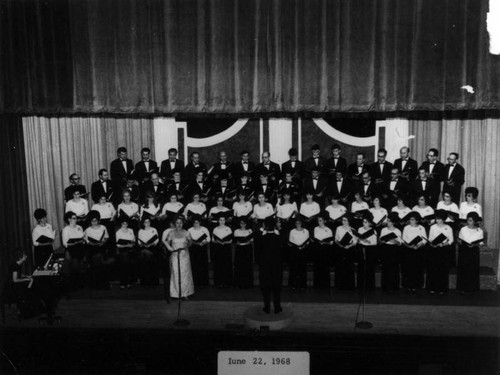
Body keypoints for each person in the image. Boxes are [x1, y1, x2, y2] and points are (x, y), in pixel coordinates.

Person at [164, 216, 194, 298]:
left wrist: (186, 247)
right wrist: (170, 249)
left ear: (183, 223)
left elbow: (191, 242)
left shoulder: (186, 232)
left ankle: (185, 293)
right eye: (177, 223)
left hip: (184, 256)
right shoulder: (171, 233)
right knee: (176, 273)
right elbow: (166, 242)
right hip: (175, 256)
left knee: (185, 273)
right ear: (175, 224)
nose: (179, 224)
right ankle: (176, 293)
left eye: (180, 223)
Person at [259, 218, 283, 314]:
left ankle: (267, 307)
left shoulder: (262, 238)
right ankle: (277, 307)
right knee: (276, 288)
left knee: (266, 288)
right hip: (276, 267)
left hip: (265, 267)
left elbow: (259, 252)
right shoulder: (278, 237)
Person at [457, 212, 484, 295]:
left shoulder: (479, 230)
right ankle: (463, 288)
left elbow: (481, 243)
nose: (469, 222)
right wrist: (459, 242)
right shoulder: (463, 229)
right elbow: (459, 240)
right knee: (463, 269)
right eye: (468, 220)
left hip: (473, 251)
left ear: (475, 221)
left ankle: (472, 288)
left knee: (472, 269)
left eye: (471, 220)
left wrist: (474, 244)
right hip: (464, 250)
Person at [427, 210, 454, 294]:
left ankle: (442, 288)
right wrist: (432, 243)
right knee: (433, 269)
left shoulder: (448, 228)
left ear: (443, 219)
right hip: (434, 249)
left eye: (439, 219)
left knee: (442, 269)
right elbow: (430, 238)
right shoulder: (433, 227)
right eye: (436, 218)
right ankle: (432, 288)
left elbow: (451, 240)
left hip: (443, 250)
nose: (437, 220)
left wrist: (443, 244)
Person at [401, 212, 427, 294]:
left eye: (412, 220)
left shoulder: (421, 228)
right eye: (410, 219)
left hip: (418, 250)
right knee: (408, 268)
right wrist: (409, 246)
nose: (411, 221)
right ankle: (408, 286)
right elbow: (403, 239)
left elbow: (424, 239)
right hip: (408, 250)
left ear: (416, 220)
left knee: (417, 268)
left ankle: (417, 285)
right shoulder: (406, 228)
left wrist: (419, 245)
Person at [84, 211, 110, 289]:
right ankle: (97, 283)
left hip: (102, 247)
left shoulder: (103, 227)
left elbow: (106, 237)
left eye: (95, 221)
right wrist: (94, 244)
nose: (94, 223)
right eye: (92, 221)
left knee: (100, 258)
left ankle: (103, 283)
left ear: (98, 220)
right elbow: (87, 241)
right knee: (97, 258)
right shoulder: (87, 230)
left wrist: (103, 242)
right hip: (92, 248)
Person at [378, 212, 403, 292]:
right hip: (385, 249)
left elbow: (400, 243)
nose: (387, 222)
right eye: (387, 221)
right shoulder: (383, 230)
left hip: (394, 250)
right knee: (385, 268)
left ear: (393, 222)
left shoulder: (397, 231)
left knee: (393, 269)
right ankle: (385, 287)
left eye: (389, 221)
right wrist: (382, 241)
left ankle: (393, 287)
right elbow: (380, 241)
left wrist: (395, 241)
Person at [62, 211, 86, 291]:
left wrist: (82, 241)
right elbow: (65, 244)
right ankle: (74, 286)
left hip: (80, 248)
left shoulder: (79, 227)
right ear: (69, 219)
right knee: (75, 265)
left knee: (82, 266)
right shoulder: (66, 229)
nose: (76, 220)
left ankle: (81, 284)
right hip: (72, 249)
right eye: (74, 218)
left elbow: (83, 238)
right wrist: (76, 242)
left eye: (76, 218)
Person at [334, 215, 358, 290]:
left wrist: (349, 246)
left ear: (348, 221)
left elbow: (355, 242)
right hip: (340, 249)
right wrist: (340, 245)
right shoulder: (338, 228)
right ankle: (339, 286)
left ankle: (349, 286)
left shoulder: (352, 229)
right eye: (342, 220)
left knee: (349, 268)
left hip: (349, 249)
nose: (343, 222)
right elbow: (336, 239)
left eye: (345, 220)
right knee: (340, 267)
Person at [187, 215, 211, 287]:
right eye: (194, 223)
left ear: (200, 222)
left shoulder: (205, 229)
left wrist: (203, 242)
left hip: (202, 248)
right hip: (193, 249)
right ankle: (195, 283)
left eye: (197, 222)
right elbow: (188, 239)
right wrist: (194, 242)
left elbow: (209, 239)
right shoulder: (190, 230)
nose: (196, 224)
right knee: (194, 265)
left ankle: (204, 283)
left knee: (203, 265)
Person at [312, 214, 334, 289]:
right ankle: (317, 285)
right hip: (318, 249)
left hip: (325, 250)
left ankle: (325, 285)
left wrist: (324, 242)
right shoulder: (315, 229)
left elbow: (331, 242)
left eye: (320, 220)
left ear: (324, 221)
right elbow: (315, 238)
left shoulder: (328, 230)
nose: (319, 222)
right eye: (318, 220)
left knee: (325, 267)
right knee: (317, 267)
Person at [287, 217, 310, 289]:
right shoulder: (292, 231)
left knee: (302, 268)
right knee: (294, 268)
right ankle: (293, 285)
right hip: (294, 251)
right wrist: (294, 247)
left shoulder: (306, 231)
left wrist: (303, 247)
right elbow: (290, 241)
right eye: (296, 223)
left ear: (301, 223)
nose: (298, 224)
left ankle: (302, 285)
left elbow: (308, 241)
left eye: (299, 223)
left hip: (303, 251)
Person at [211, 216, 233, 288]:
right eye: (220, 220)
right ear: (218, 221)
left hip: (226, 247)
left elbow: (231, 240)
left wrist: (225, 242)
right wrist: (218, 241)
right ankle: (219, 282)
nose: (222, 221)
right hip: (218, 248)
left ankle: (227, 282)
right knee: (218, 264)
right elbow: (213, 240)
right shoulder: (215, 229)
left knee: (226, 264)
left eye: (223, 220)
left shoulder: (228, 228)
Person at [115, 217, 137, 289]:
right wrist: (126, 245)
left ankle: (130, 281)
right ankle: (123, 282)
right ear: (121, 224)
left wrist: (132, 244)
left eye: (126, 223)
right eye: (123, 223)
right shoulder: (118, 232)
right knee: (125, 262)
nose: (125, 225)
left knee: (131, 262)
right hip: (122, 249)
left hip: (130, 249)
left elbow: (133, 240)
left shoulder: (131, 230)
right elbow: (118, 244)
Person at [137, 217, 160, 286]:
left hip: (152, 248)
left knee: (152, 263)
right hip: (143, 248)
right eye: (146, 222)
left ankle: (153, 282)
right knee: (144, 263)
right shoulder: (140, 231)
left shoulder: (154, 229)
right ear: (143, 223)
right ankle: (145, 282)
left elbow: (157, 239)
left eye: (149, 222)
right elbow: (138, 240)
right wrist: (142, 244)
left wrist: (152, 244)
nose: (148, 223)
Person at [233, 218, 254, 289]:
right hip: (239, 249)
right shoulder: (236, 231)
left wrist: (248, 242)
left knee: (247, 266)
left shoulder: (249, 231)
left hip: (247, 249)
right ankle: (239, 283)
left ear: (246, 224)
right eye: (241, 223)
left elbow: (252, 240)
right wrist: (237, 242)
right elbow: (235, 240)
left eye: (244, 223)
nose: (243, 225)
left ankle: (247, 284)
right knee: (239, 266)